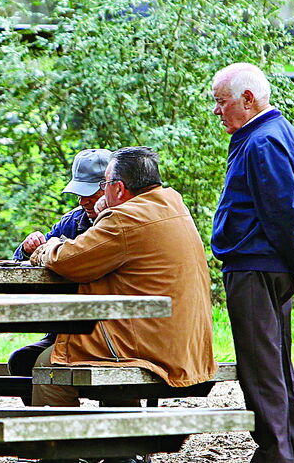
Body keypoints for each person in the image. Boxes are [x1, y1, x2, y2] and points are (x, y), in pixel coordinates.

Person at [29, 146, 216, 408]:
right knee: (85, 349)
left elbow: (67, 260)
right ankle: (117, 448)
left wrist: (46, 248)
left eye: (104, 184)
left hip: (148, 347)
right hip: (181, 344)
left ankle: (56, 446)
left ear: (117, 188)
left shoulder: (126, 218)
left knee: (47, 365)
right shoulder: (172, 204)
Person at [210, 63, 294, 463]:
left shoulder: (262, 141)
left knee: (261, 370)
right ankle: (293, 452)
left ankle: (276, 455)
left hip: (256, 267)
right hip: (273, 265)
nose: (217, 111)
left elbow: (285, 212)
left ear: (247, 99)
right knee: (276, 365)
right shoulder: (287, 136)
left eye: (221, 102)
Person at [7, 148, 112, 381]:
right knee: (21, 361)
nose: (83, 201)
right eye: (79, 193)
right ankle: (46, 414)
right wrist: (26, 249)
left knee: (46, 365)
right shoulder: (72, 220)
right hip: (63, 331)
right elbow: (22, 262)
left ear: (110, 188)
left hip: (110, 331)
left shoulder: (124, 222)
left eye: (90, 193)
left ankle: (119, 410)